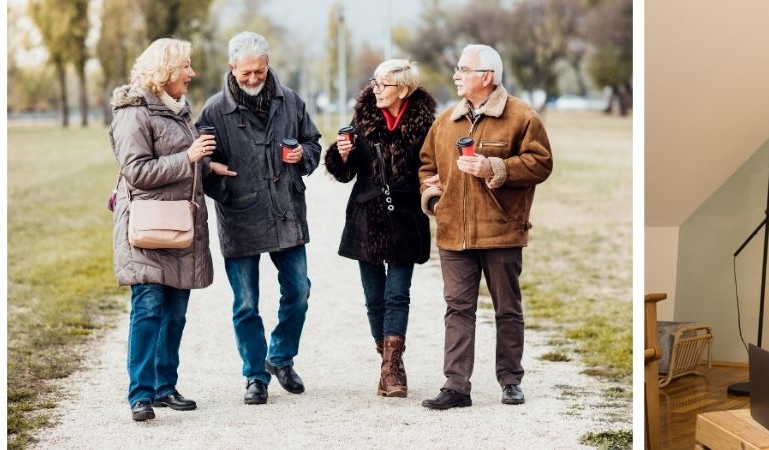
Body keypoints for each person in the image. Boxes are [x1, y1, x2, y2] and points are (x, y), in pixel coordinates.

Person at [417, 44, 553, 410]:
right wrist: (434, 199)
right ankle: (456, 386)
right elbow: (427, 167)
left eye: (463, 69)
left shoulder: (522, 116)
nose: (456, 75)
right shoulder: (445, 121)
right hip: (453, 235)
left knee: (507, 309)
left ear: (487, 77)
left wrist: (495, 167)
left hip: (501, 230)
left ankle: (510, 381)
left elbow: (540, 163)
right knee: (457, 309)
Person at [195, 31, 323, 406]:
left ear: (268, 65)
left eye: (260, 71)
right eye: (246, 72)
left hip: (286, 211)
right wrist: (210, 168)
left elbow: (313, 142)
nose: (253, 78)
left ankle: (280, 357)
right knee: (246, 303)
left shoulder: (291, 102)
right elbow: (199, 160)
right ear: (232, 68)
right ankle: (255, 375)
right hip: (239, 214)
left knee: (299, 291)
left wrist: (303, 154)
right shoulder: (214, 111)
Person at [109, 37, 215, 422]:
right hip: (147, 225)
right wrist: (188, 158)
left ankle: (165, 387)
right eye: (185, 66)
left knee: (175, 311)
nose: (192, 74)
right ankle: (140, 393)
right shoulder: (132, 111)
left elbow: (183, 162)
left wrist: (206, 165)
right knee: (149, 307)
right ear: (166, 70)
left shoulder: (180, 111)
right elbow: (136, 171)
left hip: (180, 225)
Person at [322, 59, 438, 398]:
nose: (376, 89)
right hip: (367, 216)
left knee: (397, 294)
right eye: (374, 83)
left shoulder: (426, 124)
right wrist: (342, 155)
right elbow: (345, 175)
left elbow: (433, 165)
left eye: (383, 84)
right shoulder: (363, 119)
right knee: (374, 298)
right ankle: (386, 360)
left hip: (406, 217)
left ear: (403, 89)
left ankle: (392, 369)